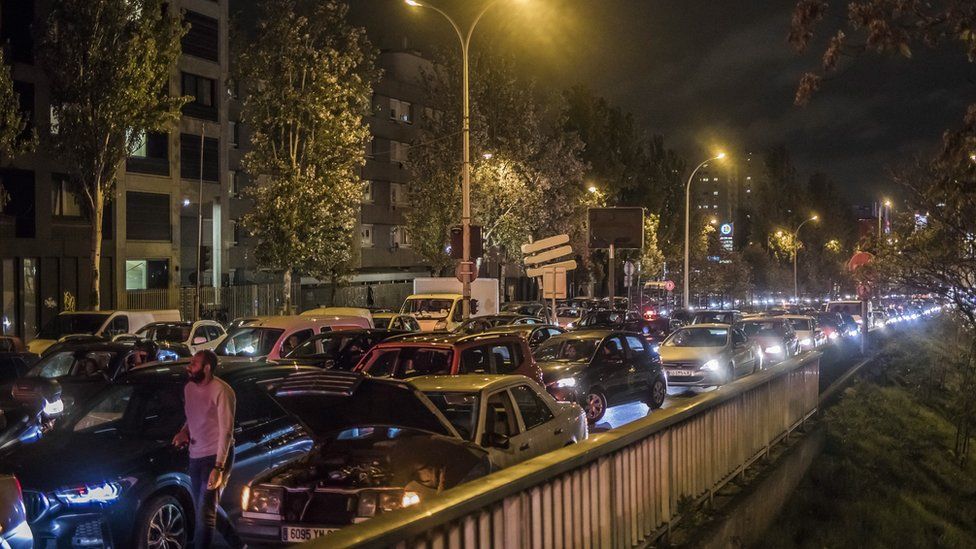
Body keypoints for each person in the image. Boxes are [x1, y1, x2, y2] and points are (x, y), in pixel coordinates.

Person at [172, 350, 236, 548]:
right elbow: (193, 417)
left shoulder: (222, 391)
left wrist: (218, 467)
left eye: (194, 363)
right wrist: (184, 431)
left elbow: (226, 430)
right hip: (196, 455)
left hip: (216, 457)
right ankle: (239, 544)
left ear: (207, 368)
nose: (189, 366)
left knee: (204, 514)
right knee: (208, 507)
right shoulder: (189, 388)